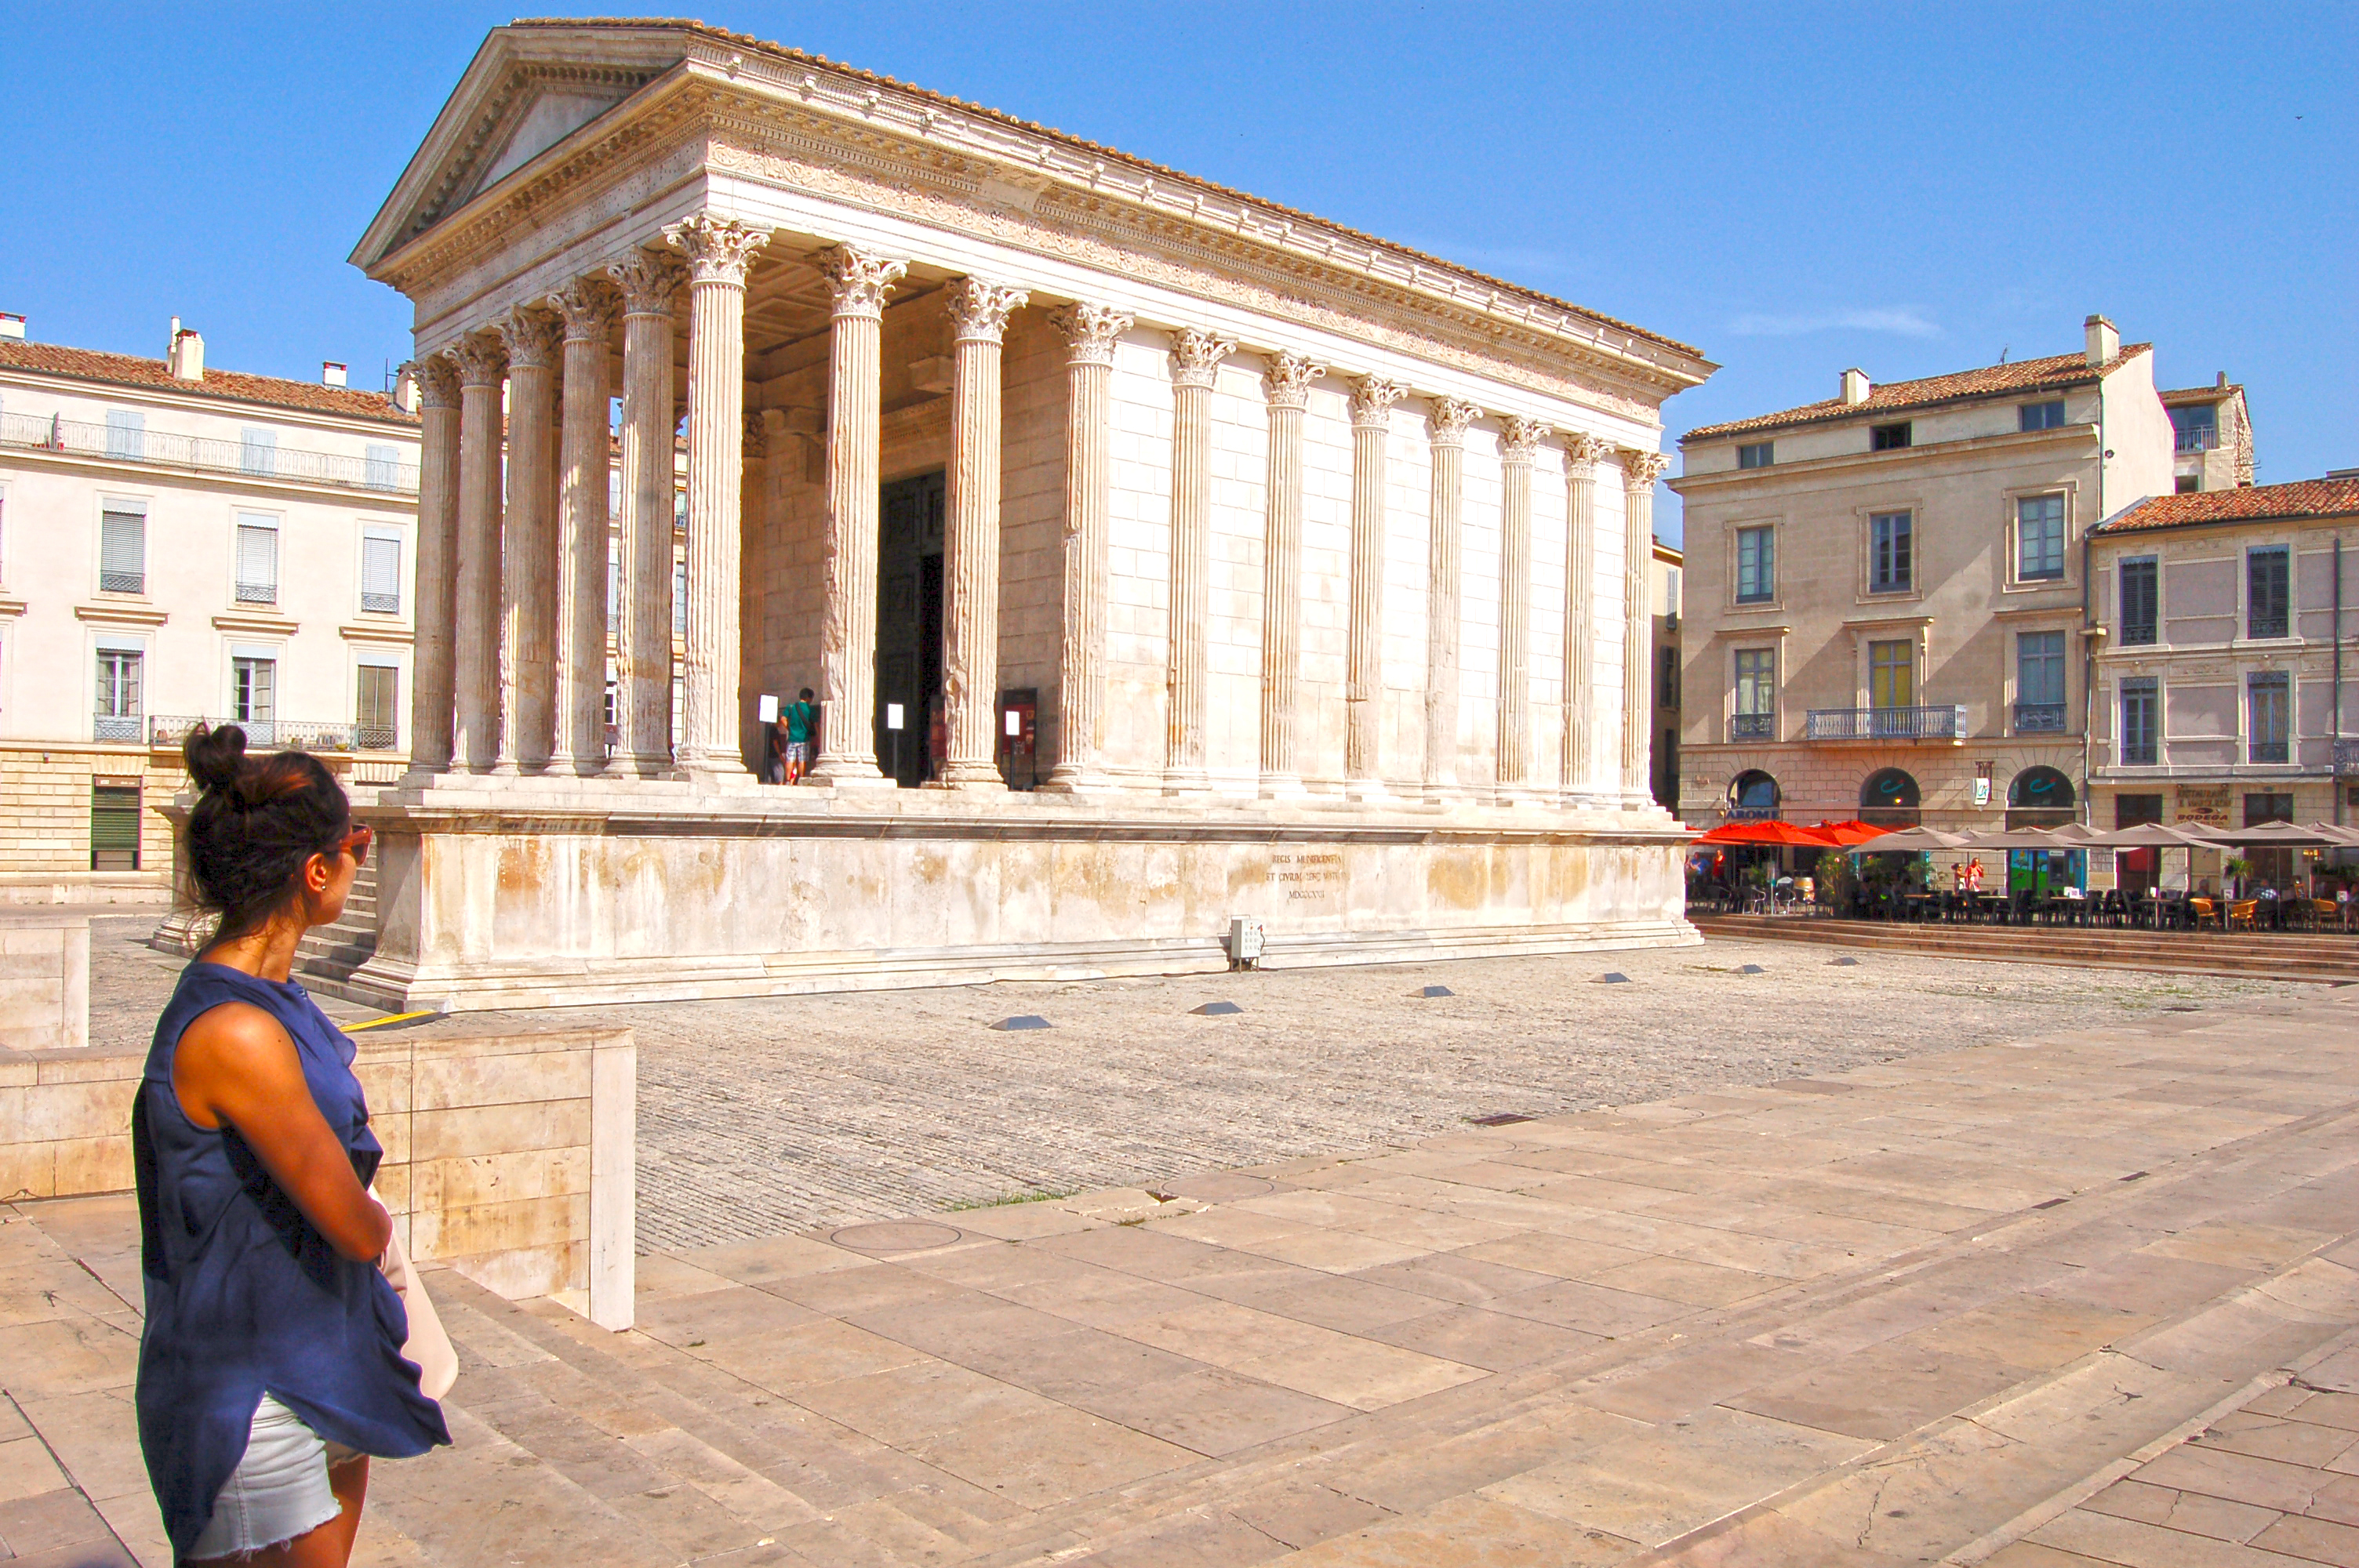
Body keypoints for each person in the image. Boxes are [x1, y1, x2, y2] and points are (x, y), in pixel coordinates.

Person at [135, 724, 448, 1565]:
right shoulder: (235, 1029)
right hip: (254, 1389)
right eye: (356, 844)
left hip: (327, 1351)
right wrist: (380, 1229)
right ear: (316, 870)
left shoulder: (279, 997)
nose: (362, 858)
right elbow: (349, 1220)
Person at [783, 687, 817, 783]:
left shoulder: (791, 707)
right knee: (802, 759)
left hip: (792, 738)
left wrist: (790, 729)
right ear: (808, 698)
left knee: (790, 759)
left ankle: (788, 780)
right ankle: (801, 778)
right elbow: (815, 724)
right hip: (804, 739)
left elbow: (783, 719)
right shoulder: (809, 709)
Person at [765, 710, 792, 785]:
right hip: (774, 754)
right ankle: (780, 783)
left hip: (770, 753)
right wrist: (780, 754)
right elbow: (775, 743)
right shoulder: (774, 730)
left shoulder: (769, 729)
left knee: (772, 770)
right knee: (779, 770)